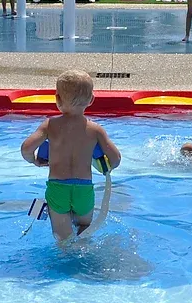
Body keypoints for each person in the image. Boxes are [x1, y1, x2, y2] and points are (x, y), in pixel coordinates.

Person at [20, 70, 122, 241]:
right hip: (84, 189)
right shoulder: (95, 130)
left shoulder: (50, 125)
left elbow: (26, 149)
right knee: (84, 230)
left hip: (58, 188)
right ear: (91, 100)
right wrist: (102, 166)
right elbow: (116, 159)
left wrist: (35, 161)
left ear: (57, 98)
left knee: (63, 238)